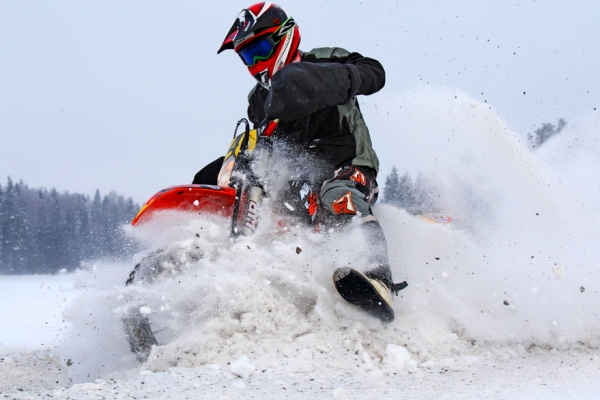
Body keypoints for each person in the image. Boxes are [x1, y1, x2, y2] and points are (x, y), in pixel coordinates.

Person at [214, 2, 407, 321]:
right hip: (299, 181)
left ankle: (380, 279)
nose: (256, 63)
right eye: (247, 56)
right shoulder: (258, 99)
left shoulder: (325, 58)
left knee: (337, 193)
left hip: (349, 166)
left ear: (283, 37)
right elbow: (260, 140)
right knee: (273, 213)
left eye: (260, 50)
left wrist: (334, 79)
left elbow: (375, 72)